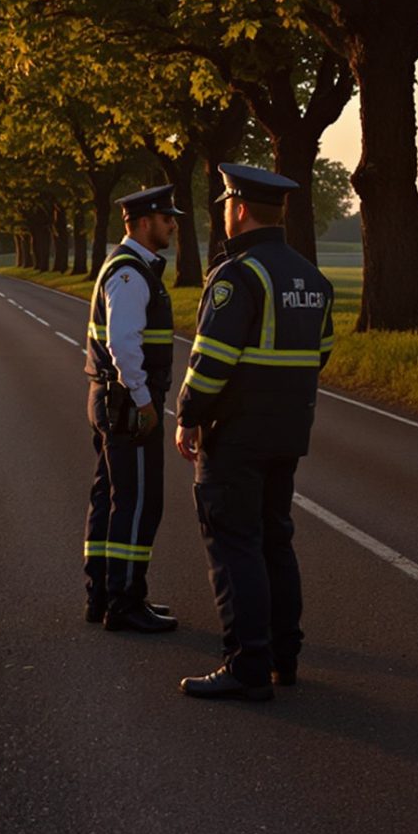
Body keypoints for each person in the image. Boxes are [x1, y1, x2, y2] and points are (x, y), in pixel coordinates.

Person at [174, 163, 336, 701]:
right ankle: (282, 659)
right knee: (275, 539)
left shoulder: (238, 275)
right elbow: (322, 353)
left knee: (235, 544)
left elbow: (212, 360)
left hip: (236, 435)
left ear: (238, 209)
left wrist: (189, 414)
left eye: (225, 204)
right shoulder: (312, 278)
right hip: (288, 432)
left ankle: (246, 665)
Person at [83, 184, 182, 632]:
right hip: (127, 402)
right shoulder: (130, 274)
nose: (173, 226)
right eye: (166, 219)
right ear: (144, 224)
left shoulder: (130, 268)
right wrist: (143, 400)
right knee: (139, 502)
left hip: (112, 398)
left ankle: (103, 594)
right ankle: (125, 601)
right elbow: (123, 344)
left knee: (110, 497)